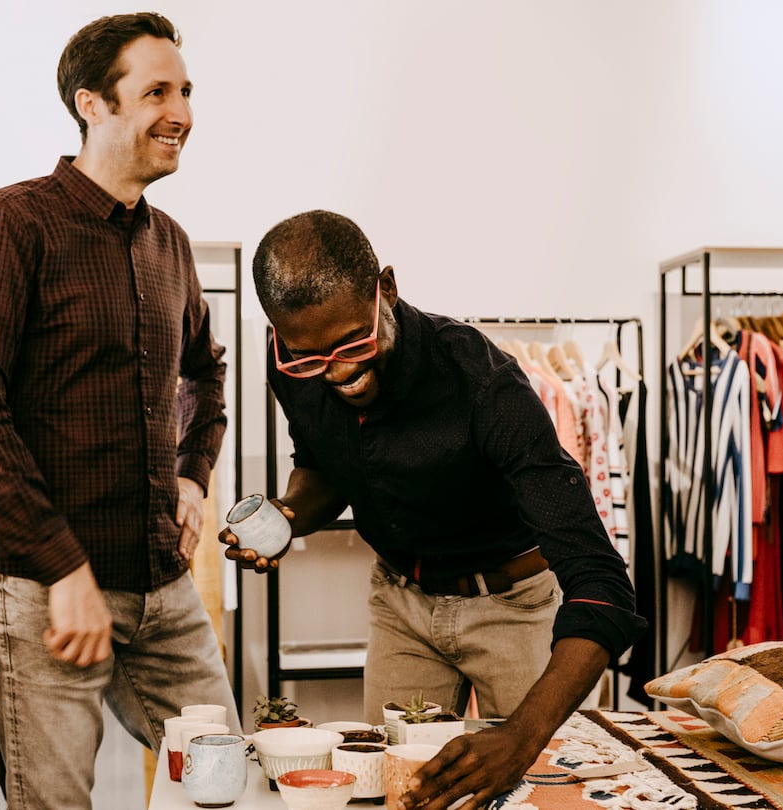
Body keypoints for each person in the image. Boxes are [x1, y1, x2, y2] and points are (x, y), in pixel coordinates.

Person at [224, 210, 646, 809]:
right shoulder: (294, 359)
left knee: (546, 796)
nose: (337, 372)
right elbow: (324, 465)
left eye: (353, 344)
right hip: (400, 605)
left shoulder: (485, 384)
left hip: (515, 608)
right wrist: (289, 516)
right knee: (401, 797)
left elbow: (605, 588)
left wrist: (519, 739)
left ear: (385, 290)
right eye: (310, 357)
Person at [0, 12, 238, 807]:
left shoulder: (168, 242)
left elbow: (207, 374)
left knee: (225, 783)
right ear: (92, 104)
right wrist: (63, 567)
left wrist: (193, 478)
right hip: (43, 595)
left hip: (163, 590)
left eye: (187, 91)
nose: (183, 113)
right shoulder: (10, 221)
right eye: (157, 92)